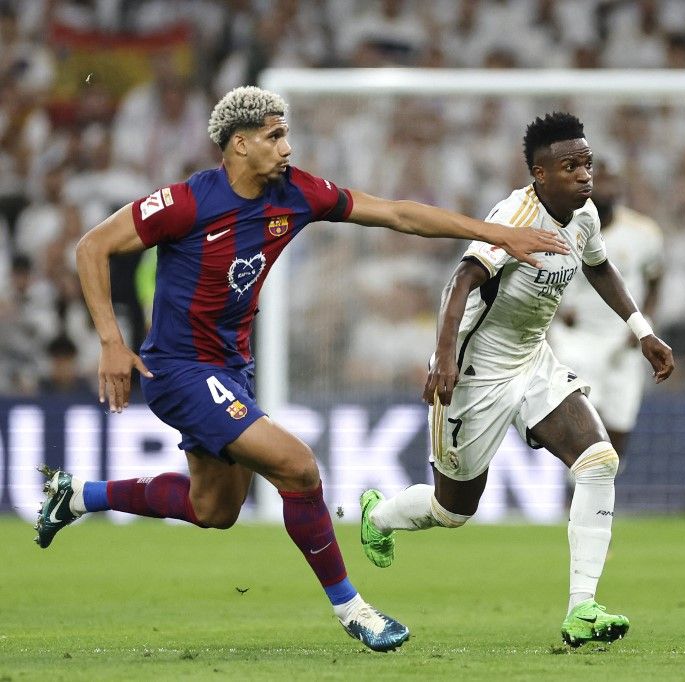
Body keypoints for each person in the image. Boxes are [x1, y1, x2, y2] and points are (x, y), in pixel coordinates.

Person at [34, 86, 568, 653]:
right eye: (274, 136)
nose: (287, 147)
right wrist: (112, 343)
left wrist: (493, 232)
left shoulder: (297, 193)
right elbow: (92, 247)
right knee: (299, 468)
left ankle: (77, 496)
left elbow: (396, 213)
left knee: (212, 509)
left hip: (232, 368)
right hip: (180, 369)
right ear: (238, 145)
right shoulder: (188, 202)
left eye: (285, 134)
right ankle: (354, 611)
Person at [357, 113, 675, 647]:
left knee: (599, 462)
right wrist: (442, 357)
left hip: (533, 359)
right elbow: (462, 278)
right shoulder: (515, 216)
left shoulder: (585, 215)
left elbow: (598, 267)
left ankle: (583, 608)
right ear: (540, 173)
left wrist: (642, 330)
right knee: (452, 511)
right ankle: (380, 515)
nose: (584, 176)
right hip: (476, 373)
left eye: (587, 165)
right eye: (570, 166)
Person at [548, 159, 664, 463]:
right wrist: (559, 311)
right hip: (577, 338)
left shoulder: (644, 232)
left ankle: (597, 491)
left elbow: (654, 282)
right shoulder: (562, 227)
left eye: (614, 181)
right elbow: (543, 275)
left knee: (620, 426)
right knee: (585, 423)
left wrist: (643, 325)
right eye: (603, 180)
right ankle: (576, 492)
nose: (609, 187)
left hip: (622, 340)